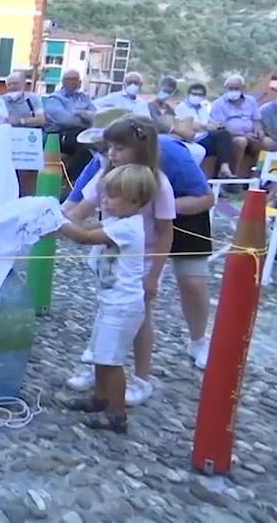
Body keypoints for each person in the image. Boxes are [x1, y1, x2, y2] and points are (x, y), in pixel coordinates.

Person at [65, 113, 214, 398]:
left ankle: (142, 378)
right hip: (110, 257)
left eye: (119, 148)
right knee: (106, 310)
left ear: (140, 148)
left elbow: (165, 231)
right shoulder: (105, 173)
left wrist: (154, 275)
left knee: (140, 316)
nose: (111, 153)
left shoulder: (158, 183)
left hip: (139, 260)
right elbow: (78, 208)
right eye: (110, 147)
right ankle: (99, 366)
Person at [59, 164, 155, 433]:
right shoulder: (118, 221)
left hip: (123, 307)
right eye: (105, 194)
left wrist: (57, 221)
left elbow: (86, 237)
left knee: (111, 361)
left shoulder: (129, 228)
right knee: (101, 355)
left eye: (112, 196)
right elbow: (90, 225)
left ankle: (117, 414)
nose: (105, 200)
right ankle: (99, 398)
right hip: (111, 302)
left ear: (136, 201)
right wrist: (66, 219)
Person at [45, 69, 98, 180]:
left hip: (84, 132)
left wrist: (80, 113)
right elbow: (65, 120)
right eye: (68, 79)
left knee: (100, 144)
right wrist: (86, 118)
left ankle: (87, 179)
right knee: (87, 147)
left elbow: (96, 117)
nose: (71, 82)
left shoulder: (84, 97)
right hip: (61, 134)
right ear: (63, 81)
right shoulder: (55, 98)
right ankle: (71, 178)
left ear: (79, 82)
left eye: (74, 79)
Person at [174, 82, 235, 178]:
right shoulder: (181, 108)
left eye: (199, 95)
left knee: (226, 140)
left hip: (205, 137)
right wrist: (205, 126)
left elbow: (211, 122)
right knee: (223, 136)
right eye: (194, 94)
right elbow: (185, 124)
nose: (196, 97)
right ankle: (223, 169)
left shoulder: (203, 108)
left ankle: (222, 172)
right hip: (193, 139)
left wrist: (214, 126)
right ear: (189, 94)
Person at [210, 74, 264, 178]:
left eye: (236, 88)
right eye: (231, 88)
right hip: (232, 136)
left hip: (251, 134)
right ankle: (233, 175)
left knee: (267, 143)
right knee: (240, 141)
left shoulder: (251, 101)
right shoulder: (218, 104)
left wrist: (259, 130)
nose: (233, 91)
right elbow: (221, 127)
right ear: (226, 89)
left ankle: (258, 176)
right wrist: (244, 135)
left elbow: (256, 120)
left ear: (243, 89)